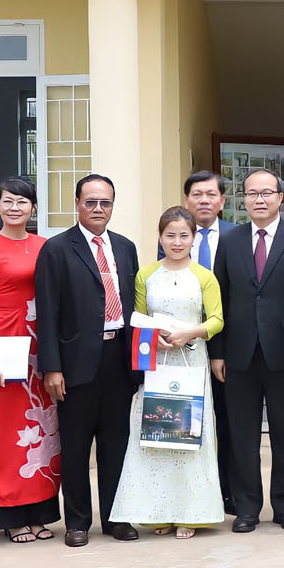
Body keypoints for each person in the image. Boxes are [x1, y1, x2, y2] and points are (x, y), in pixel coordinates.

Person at [36, 174, 141, 543]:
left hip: (119, 358)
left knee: (116, 444)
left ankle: (116, 518)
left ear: (113, 205)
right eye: (91, 202)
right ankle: (77, 522)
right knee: (76, 447)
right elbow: (47, 312)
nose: (98, 209)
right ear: (77, 204)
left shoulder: (126, 248)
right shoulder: (56, 249)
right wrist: (51, 366)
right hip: (75, 362)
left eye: (105, 203)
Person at [211, 168, 284, 531]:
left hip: (283, 354)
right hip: (239, 355)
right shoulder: (230, 240)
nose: (259, 199)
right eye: (252, 194)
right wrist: (217, 352)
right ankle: (247, 507)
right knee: (242, 435)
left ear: (280, 197)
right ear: (243, 199)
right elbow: (220, 300)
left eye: (266, 193)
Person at [113, 207, 226, 537]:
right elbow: (138, 317)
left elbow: (216, 319)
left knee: (191, 436)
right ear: (160, 237)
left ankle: (191, 514)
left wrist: (190, 333)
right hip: (158, 363)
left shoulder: (204, 275)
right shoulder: (145, 274)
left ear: (194, 238)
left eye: (184, 235)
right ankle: (158, 512)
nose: (177, 242)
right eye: (170, 235)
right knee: (157, 435)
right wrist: (155, 338)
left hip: (192, 361)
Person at [0, 178, 62, 544]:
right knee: (8, 434)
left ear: (33, 208)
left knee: (46, 429)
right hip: (6, 347)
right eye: (8, 201)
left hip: (42, 346)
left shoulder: (46, 247)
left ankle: (40, 512)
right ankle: (10, 514)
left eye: (22, 202)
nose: (15, 208)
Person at [183, 170, 237, 517]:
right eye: (197, 195)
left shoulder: (237, 236)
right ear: (187, 200)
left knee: (230, 423)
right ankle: (189, 493)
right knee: (186, 424)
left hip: (229, 346)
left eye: (211, 195)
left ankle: (228, 492)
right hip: (183, 347)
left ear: (222, 201)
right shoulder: (173, 236)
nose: (204, 200)